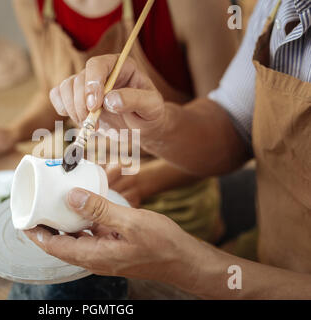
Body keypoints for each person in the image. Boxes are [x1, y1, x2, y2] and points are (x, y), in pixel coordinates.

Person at [0, 0, 238, 299]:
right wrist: (12, 131)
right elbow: (53, 95)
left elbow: (231, 136)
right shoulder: (32, 4)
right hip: (84, 183)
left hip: (174, 195)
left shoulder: (194, 5)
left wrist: (139, 181)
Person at [29, 0, 311, 298]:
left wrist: (190, 267)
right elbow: (234, 122)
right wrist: (156, 127)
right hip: (271, 251)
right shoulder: (282, 4)